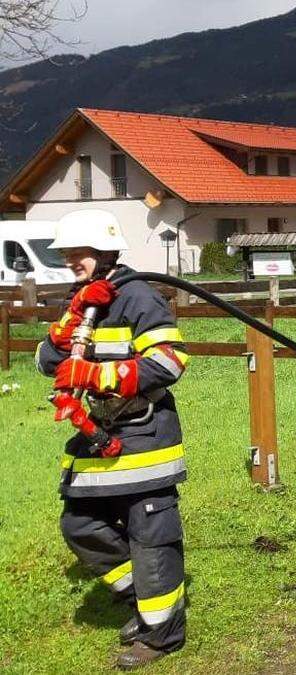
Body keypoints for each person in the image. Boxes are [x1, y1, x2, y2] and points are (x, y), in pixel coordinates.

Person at [35, 210, 190, 670]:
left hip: (144, 438)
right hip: (98, 438)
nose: (68, 261)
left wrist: (97, 374)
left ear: (103, 252)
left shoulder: (139, 298)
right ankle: (142, 599)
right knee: (79, 524)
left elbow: (170, 362)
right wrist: (63, 337)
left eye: (75, 253)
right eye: (65, 254)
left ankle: (162, 635)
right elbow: (47, 360)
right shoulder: (82, 301)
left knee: (150, 534)